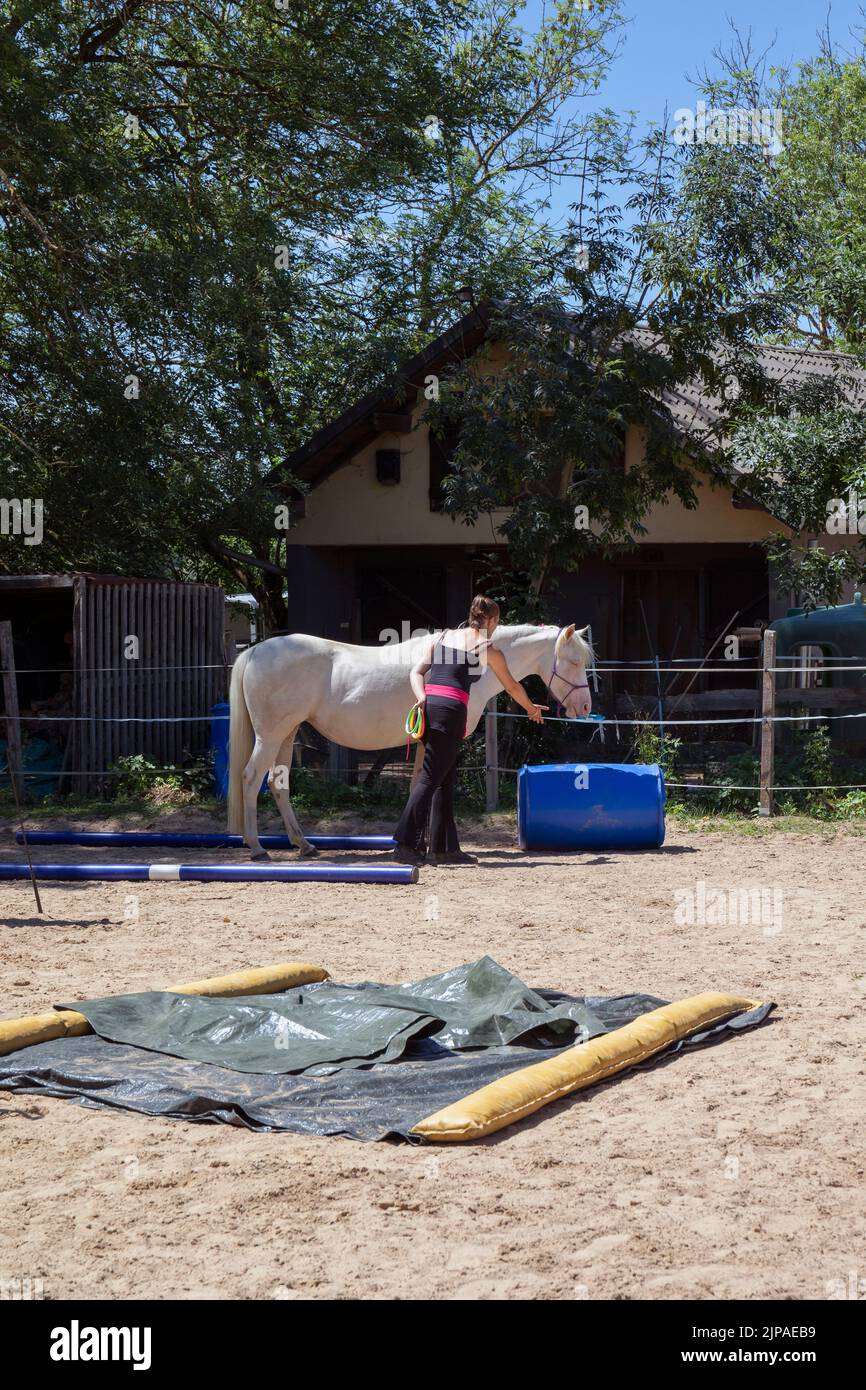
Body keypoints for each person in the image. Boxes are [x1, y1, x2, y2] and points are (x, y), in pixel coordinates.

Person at [393, 595, 547, 866]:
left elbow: (416, 672)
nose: (497, 627)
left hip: (431, 707)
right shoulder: (487, 647)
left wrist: (421, 697)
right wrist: (531, 708)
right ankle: (405, 844)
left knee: (446, 778)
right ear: (491, 620)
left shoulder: (442, 637)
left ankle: (444, 847)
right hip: (451, 711)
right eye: (497, 622)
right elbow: (511, 686)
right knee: (430, 777)